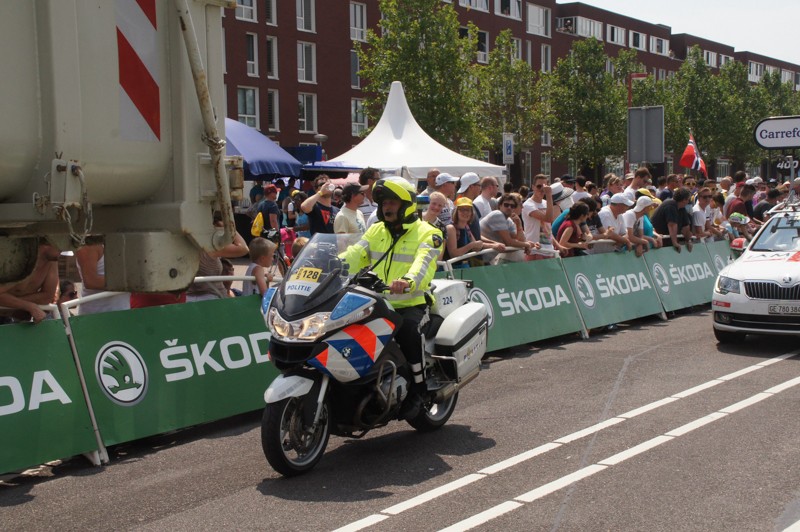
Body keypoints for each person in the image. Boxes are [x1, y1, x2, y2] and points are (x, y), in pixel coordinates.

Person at [340, 176, 443, 419]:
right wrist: (331, 264)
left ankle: (419, 389)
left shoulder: (428, 233)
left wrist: (407, 281)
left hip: (412, 303)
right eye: (384, 202)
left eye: (393, 202)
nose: (387, 207)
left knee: (407, 331)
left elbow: (423, 264)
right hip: (376, 301)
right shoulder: (376, 230)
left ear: (407, 205)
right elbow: (355, 253)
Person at [186, 218, 249, 301]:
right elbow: (243, 248)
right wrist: (228, 227)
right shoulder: (210, 249)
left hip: (187, 299)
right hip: (212, 298)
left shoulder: (182, 247)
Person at [0, 242, 60, 324]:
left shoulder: (52, 260)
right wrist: (28, 306)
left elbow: (47, 297)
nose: (64, 250)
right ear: (48, 243)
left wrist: (13, 303)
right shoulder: (15, 258)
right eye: (61, 245)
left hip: (22, 318)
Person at [75, 243, 131, 315]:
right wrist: (132, 282)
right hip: (96, 315)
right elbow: (91, 281)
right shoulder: (89, 245)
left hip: (123, 311)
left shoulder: (124, 243)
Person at [650, 187, 694, 253]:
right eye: (688, 199)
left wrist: (688, 241)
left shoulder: (681, 208)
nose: (688, 202)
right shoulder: (670, 205)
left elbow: (686, 226)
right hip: (659, 242)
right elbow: (672, 225)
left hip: (667, 241)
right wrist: (675, 243)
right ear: (684, 200)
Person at [443, 197, 483, 268]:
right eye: (462, 209)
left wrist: (480, 245)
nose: (465, 212)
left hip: (465, 267)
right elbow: (453, 254)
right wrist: (472, 245)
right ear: (456, 212)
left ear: (471, 213)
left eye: (468, 210)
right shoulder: (451, 228)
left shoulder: (466, 227)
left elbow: (476, 247)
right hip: (451, 269)